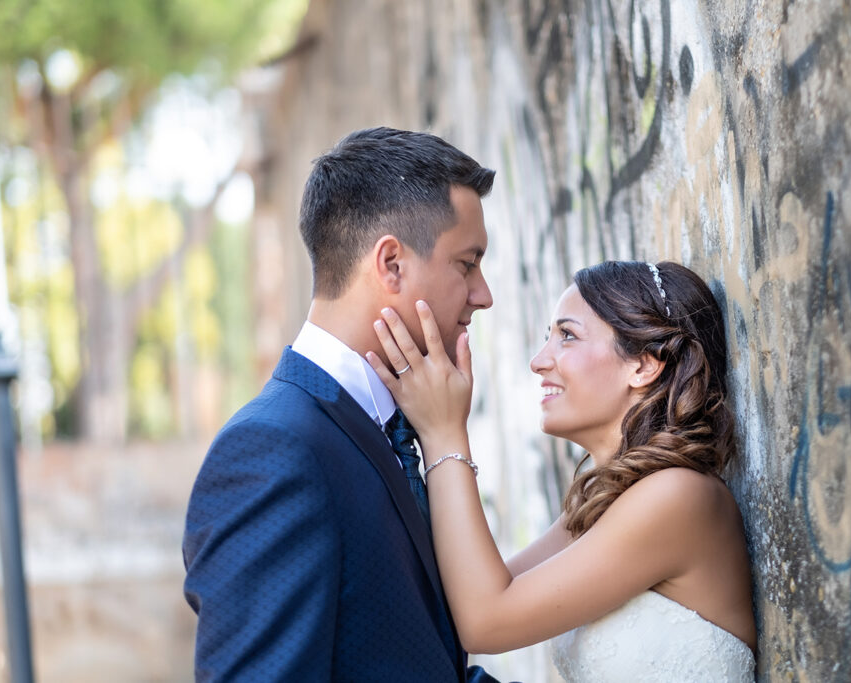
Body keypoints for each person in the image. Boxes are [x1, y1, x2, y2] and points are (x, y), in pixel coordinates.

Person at [182, 127, 503, 681]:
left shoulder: (394, 423)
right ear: (391, 265)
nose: (483, 294)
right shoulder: (269, 453)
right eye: (467, 264)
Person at [369, 260, 757, 682]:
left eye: (567, 336)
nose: (538, 361)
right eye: (547, 338)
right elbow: (462, 600)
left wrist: (445, 434)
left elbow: (485, 622)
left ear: (644, 365)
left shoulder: (680, 498)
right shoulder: (607, 499)